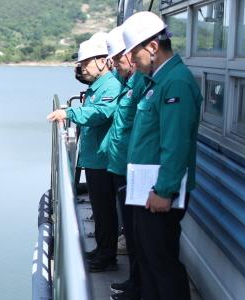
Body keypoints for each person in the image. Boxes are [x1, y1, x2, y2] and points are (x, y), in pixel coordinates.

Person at [121, 11, 203, 300]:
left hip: (159, 193)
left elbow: (176, 142)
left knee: (162, 263)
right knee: (147, 260)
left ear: (153, 48)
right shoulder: (156, 81)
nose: (131, 60)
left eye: (134, 53)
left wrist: (164, 190)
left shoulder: (175, 83)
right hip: (145, 190)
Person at [47, 35, 122, 272]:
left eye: (86, 63)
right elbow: (91, 108)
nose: (82, 69)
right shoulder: (96, 87)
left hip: (103, 159)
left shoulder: (110, 86)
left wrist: (70, 114)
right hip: (94, 157)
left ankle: (107, 257)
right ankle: (102, 250)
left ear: (102, 61)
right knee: (100, 210)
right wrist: (71, 109)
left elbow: (101, 113)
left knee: (105, 211)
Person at [101, 25, 145, 300]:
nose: (115, 65)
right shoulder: (128, 82)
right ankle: (134, 281)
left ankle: (139, 285)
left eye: (118, 59)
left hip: (133, 171)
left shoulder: (140, 83)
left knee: (139, 235)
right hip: (121, 167)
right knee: (131, 232)